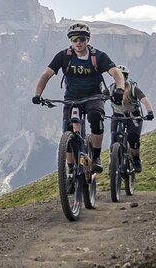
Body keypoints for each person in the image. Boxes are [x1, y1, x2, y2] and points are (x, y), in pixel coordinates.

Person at [32, 22, 125, 173]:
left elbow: (116, 72)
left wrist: (120, 89)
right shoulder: (64, 56)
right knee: (67, 134)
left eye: (81, 39)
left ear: (87, 39)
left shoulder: (98, 56)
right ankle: (70, 171)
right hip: (71, 97)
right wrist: (38, 94)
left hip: (94, 96)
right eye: (74, 39)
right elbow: (46, 75)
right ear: (70, 40)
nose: (78, 42)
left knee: (96, 117)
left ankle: (95, 157)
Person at [107, 64, 154, 172]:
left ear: (126, 77)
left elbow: (144, 100)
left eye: (123, 76)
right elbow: (101, 98)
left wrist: (149, 111)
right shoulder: (111, 89)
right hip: (117, 116)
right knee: (114, 139)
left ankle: (136, 159)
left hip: (134, 117)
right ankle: (113, 163)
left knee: (133, 138)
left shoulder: (133, 88)